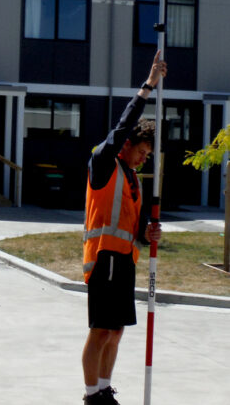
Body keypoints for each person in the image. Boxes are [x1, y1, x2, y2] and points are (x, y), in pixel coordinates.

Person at [81, 51, 166, 405]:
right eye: (143, 152)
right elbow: (121, 126)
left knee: (115, 332)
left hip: (126, 261)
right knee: (100, 331)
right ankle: (91, 396)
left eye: (148, 156)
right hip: (104, 261)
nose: (145, 160)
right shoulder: (104, 163)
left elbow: (133, 225)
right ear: (128, 145)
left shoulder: (134, 179)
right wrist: (148, 86)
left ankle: (104, 389)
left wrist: (148, 234)